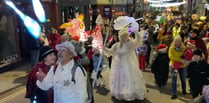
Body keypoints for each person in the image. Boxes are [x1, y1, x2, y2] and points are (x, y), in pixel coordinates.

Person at [103, 28, 147, 101]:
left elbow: (137, 41)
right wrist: (104, 48)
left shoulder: (129, 44)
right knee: (119, 79)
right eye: (124, 36)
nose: (125, 38)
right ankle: (120, 92)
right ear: (120, 37)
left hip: (128, 64)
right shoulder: (116, 45)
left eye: (126, 36)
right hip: (118, 65)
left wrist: (136, 32)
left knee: (128, 78)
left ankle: (129, 93)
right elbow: (110, 51)